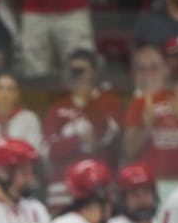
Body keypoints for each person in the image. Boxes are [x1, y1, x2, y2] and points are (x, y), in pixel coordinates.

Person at [122, 41, 178, 200]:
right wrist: (146, 125)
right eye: (143, 69)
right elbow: (129, 150)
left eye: (154, 68)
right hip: (149, 184)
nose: (149, 75)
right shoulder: (141, 101)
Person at [41, 49, 122, 206]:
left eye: (80, 71)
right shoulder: (57, 109)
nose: (76, 75)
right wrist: (77, 140)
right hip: (63, 188)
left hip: (99, 186)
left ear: (94, 73)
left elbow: (112, 145)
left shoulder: (111, 104)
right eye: (72, 71)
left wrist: (88, 103)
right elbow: (49, 151)